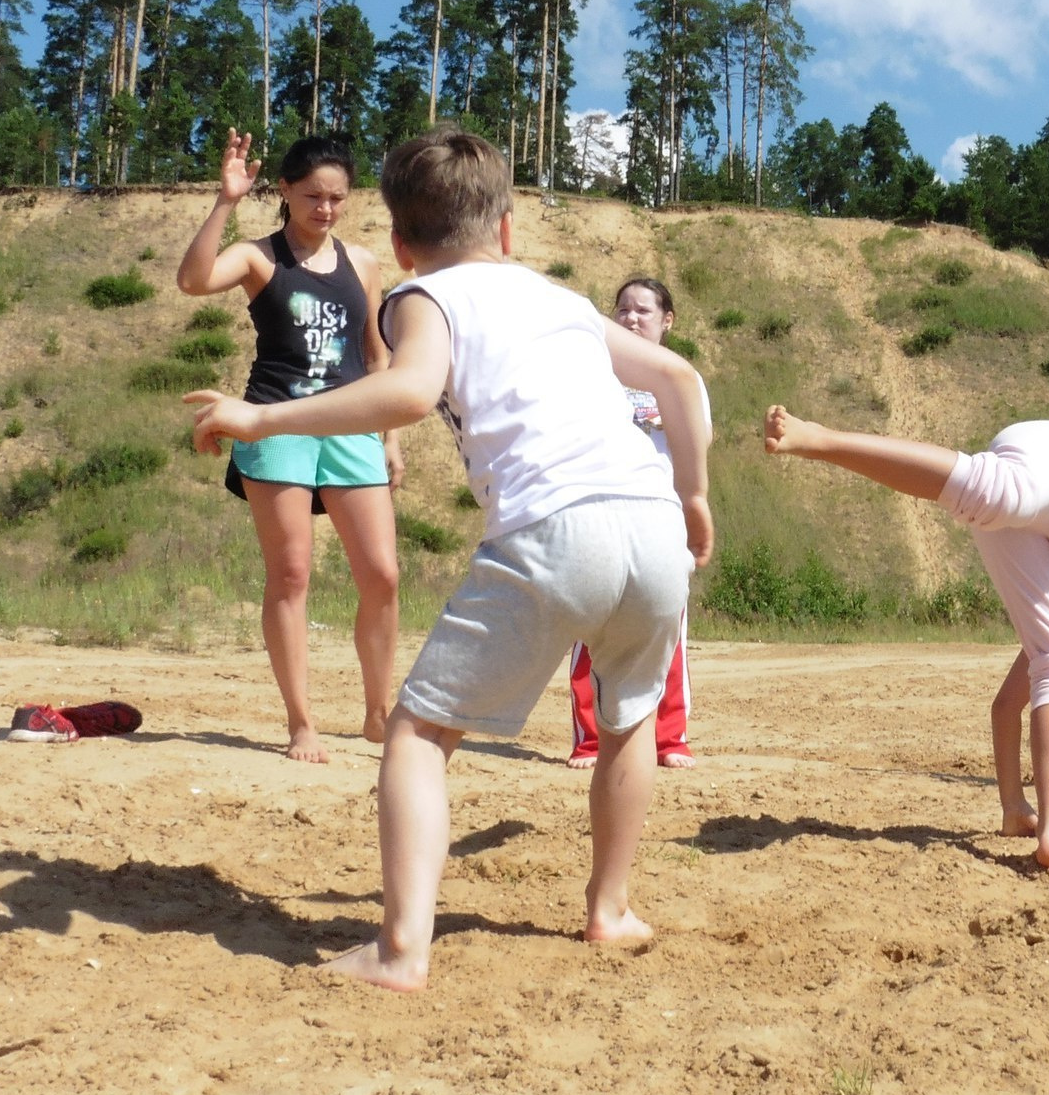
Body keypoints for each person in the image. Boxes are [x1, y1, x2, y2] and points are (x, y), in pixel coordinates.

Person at [186, 128, 711, 992]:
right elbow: (680, 381)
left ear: (399, 244)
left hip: (553, 528)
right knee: (629, 721)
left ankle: (400, 952)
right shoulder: (565, 301)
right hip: (652, 525)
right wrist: (692, 497)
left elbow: (411, 389)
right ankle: (611, 910)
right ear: (505, 230)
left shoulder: (421, 298)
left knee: (420, 733)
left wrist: (260, 417)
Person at [761, 408, 1049, 874]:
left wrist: (1013, 803)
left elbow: (1005, 707)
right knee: (1000, 494)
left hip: (1041, 531)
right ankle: (822, 439)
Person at [175, 128, 402, 764]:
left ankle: (378, 713)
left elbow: (376, 355)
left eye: (336, 198)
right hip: (273, 423)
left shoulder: (363, 265)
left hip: (351, 427)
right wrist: (224, 201)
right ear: (285, 191)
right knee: (292, 573)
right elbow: (192, 281)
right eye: (312, 196)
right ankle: (302, 722)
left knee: (382, 574)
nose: (324, 209)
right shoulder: (259, 257)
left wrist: (389, 438)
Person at [568, 275, 699, 769]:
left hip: (662, 518)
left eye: (643, 310)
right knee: (589, 629)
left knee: (667, 629)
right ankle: (590, 739)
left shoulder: (681, 377)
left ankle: (669, 739)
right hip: (598, 512)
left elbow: (697, 444)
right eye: (622, 309)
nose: (630, 318)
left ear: (667, 321)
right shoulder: (592, 374)